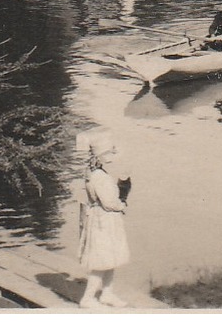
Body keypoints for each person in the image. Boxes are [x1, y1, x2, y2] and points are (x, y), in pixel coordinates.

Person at [77, 130, 131, 308]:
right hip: (104, 220)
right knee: (101, 260)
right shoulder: (100, 176)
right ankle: (88, 298)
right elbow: (109, 203)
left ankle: (107, 293)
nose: (112, 156)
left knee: (110, 257)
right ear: (100, 155)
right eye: (109, 153)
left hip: (104, 220)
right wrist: (122, 204)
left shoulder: (94, 173)